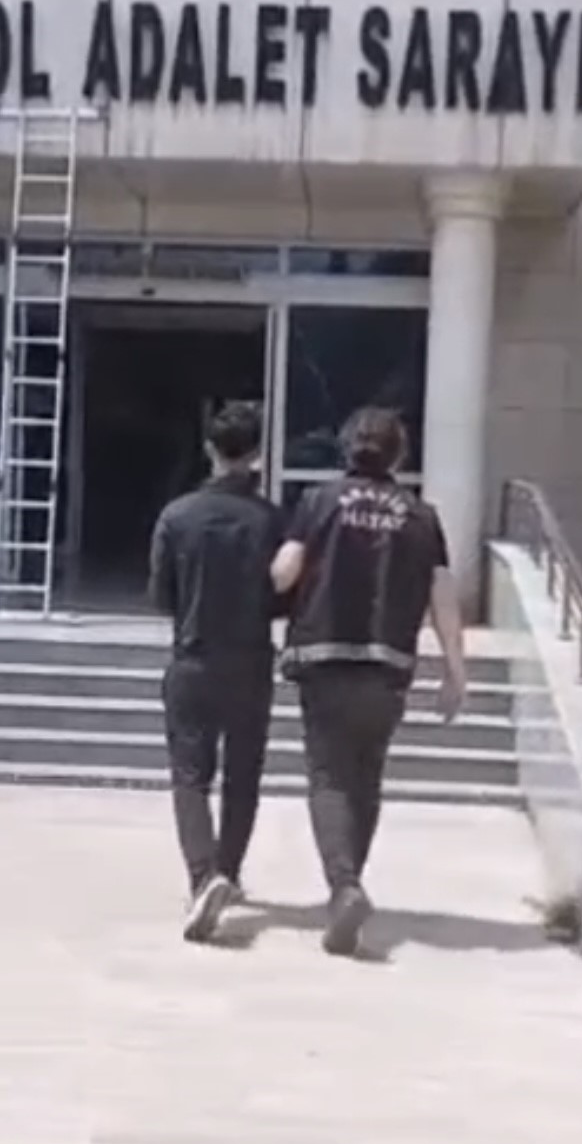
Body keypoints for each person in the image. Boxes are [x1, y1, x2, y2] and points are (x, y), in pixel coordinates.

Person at [271, 408, 467, 958]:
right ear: (399, 454)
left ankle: (344, 886)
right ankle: (349, 884)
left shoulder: (318, 501)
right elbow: (443, 596)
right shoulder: (422, 516)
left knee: (329, 777)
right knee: (366, 778)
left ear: (346, 448)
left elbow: (284, 572)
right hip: (388, 663)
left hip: (324, 656)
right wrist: (455, 670)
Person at [149, 402, 285, 943]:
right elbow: (284, 593)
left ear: (209, 449)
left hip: (193, 657)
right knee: (243, 775)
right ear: (257, 453)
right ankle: (227, 870)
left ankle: (203, 875)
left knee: (190, 775)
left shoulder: (177, 516)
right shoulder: (271, 520)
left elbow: (161, 596)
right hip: (250, 659)